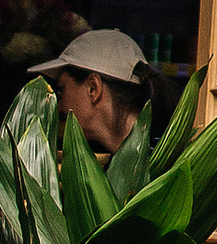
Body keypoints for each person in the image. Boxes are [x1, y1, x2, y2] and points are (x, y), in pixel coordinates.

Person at [32, 24, 153, 157]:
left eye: (61, 91)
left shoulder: (159, 164)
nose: (59, 107)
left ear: (93, 87)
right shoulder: (150, 157)